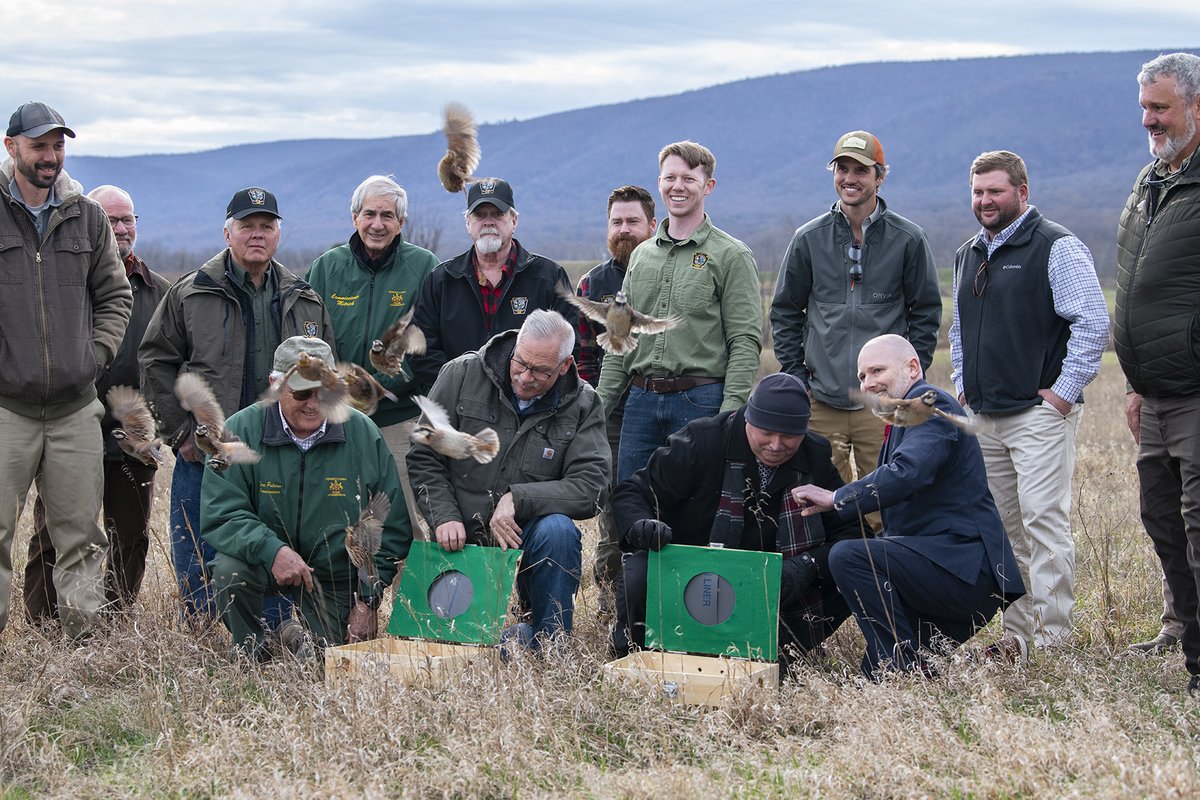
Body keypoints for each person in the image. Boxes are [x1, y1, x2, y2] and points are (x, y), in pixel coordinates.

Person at [140, 187, 334, 621]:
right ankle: (208, 633)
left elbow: (326, 376)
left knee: (273, 547)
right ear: (227, 233)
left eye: (267, 226)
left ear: (279, 235)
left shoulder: (304, 299)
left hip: (279, 453)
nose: (257, 235)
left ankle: (273, 624)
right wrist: (184, 435)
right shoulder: (192, 293)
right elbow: (155, 361)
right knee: (200, 551)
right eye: (247, 226)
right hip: (211, 454)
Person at [949, 150, 1108, 656]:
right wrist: (961, 380)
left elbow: (1092, 322)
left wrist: (1062, 395)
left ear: (1022, 191)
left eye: (995, 190)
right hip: (984, 416)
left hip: (1037, 415)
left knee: (1043, 522)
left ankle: (1053, 640)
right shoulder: (967, 253)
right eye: (977, 191)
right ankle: (1017, 636)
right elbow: (958, 329)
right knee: (1002, 530)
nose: (985, 200)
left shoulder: (1055, 246)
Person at [791, 335, 1025, 678]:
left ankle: (901, 668)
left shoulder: (928, 406)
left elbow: (907, 473)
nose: (868, 383)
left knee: (848, 557)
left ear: (912, 367)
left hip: (962, 571)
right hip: (938, 571)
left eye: (877, 370)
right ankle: (968, 663)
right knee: (875, 674)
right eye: (861, 377)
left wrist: (837, 498)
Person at [610, 372, 857, 663]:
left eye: (789, 436)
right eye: (766, 432)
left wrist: (807, 565)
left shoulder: (814, 455)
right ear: (748, 419)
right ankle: (636, 652)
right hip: (691, 573)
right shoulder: (701, 440)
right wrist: (642, 526)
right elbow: (632, 492)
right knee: (640, 571)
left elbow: (854, 532)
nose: (776, 445)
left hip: (767, 587)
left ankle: (778, 653)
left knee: (852, 568)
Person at [0, 102, 132, 640]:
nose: (51, 157)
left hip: (76, 409)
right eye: (40, 146)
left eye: (58, 146)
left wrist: (93, 358)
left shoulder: (88, 216)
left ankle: (83, 647)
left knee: (81, 536)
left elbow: (115, 296)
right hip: (6, 407)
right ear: (12, 149)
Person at [406, 309, 609, 649]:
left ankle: (549, 640)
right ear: (515, 345)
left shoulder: (584, 403)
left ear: (565, 366)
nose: (525, 377)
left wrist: (518, 498)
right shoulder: (460, 374)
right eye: (521, 363)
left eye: (540, 371)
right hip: (461, 530)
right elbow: (424, 454)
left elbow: (593, 486)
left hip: (525, 532)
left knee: (558, 531)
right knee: (457, 645)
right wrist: (445, 517)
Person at [202, 337, 411, 660]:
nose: (313, 404)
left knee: (330, 664)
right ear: (274, 385)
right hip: (263, 563)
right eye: (301, 393)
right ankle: (250, 650)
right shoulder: (237, 430)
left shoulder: (363, 434)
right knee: (230, 571)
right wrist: (272, 550)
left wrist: (367, 601)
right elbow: (223, 513)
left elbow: (393, 525)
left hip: (333, 574)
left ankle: (295, 636)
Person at [23, 185, 170, 621]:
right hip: (67, 428)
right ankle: (43, 623)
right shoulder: (61, 286)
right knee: (55, 533)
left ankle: (115, 621)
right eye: (110, 220)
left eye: (128, 219)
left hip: (130, 439)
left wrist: (155, 426)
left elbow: (171, 362)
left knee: (130, 535)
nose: (121, 229)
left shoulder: (159, 290)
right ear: (90, 226)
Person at [771, 130, 941, 486]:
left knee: (885, 501)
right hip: (821, 400)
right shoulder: (808, 238)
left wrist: (910, 378)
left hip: (881, 404)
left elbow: (925, 313)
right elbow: (786, 311)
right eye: (842, 168)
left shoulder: (908, 239)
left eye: (861, 170)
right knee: (819, 499)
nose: (850, 178)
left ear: (880, 177)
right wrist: (797, 375)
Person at [596, 141, 763, 485]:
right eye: (670, 177)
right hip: (640, 402)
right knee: (632, 501)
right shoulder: (641, 256)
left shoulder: (731, 256)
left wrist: (729, 415)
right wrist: (600, 407)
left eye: (688, 178)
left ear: (708, 186)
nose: (678, 186)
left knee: (693, 507)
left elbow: (745, 341)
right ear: (659, 183)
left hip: (700, 401)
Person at [1111, 52, 1200, 692]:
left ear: (1196, 106)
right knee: (1163, 519)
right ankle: (1189, 640)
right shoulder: (1152, 182)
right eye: (1144, 106)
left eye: (1161, 107)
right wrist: (1138, 382)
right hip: (1156, 395)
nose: (1149, 119)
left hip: (1197, 392)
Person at [306, 175, 439, 536]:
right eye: (369, 214)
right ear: (354, 218)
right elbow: (308, 337)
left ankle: (408, 595)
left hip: (399, 419)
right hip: (335, 419)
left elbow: (429, 340)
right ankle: (350, 595)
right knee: (339, 521)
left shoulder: (424, 267)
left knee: (403, 524)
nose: (377, 224)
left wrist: (376, 387)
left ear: (401, 223)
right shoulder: (326, 268)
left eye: (387, 215)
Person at [409, 178, 578, 390]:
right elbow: (420, 349)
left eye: (498, 214)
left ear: (514, 221)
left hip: (529, 405)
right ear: (468, 223)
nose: (488, 222)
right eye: (480, 215)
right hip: (458, 407)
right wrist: (461, 387)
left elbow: (570, 346)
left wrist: (526, 388)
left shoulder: (549, 277)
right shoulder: (442, 280)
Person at [575, 185, 657, 603]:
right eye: (617, 223)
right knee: (613, 511)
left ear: (653, 226)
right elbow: (584, 355)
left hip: (663, 403)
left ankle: (659, 593)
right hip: (612, 417)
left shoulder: (666, 272)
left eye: (633, 222)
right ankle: (611, 600)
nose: (624, 230)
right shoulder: (594, 283)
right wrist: (592, 406)